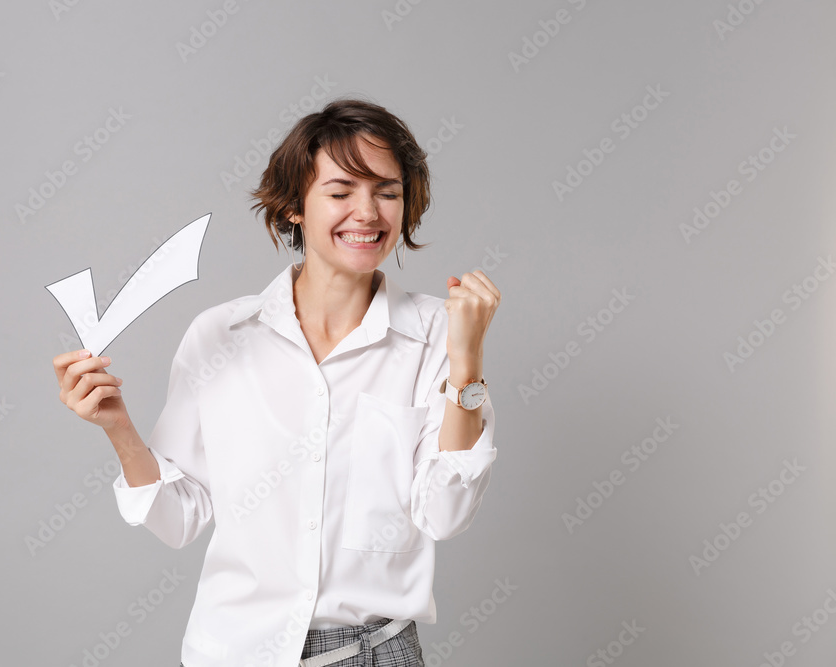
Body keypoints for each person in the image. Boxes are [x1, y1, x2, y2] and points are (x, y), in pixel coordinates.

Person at [52, 97, 501, 667]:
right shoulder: (221, 335)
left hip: (371, 652)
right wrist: (118, 427)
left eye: (387, 192)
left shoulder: (441, 333)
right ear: (294, 206)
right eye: (340, 192)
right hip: (233, 651)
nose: (367, 213)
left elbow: (445, 512)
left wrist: (467, 363)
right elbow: (178, 517)